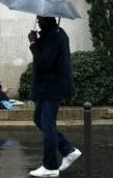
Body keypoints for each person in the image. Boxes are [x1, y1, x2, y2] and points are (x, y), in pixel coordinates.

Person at [28, 16, 81, 177]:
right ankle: (68, 150)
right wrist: (38, 40)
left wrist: (33, 43)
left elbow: (45, 62)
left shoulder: (55, 35)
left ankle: (50, 167)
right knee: (39, 120)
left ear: (48, 18)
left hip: (52, 87)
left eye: (40, 18)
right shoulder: (52, 33)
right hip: (47, 87)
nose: (37, 20)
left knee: (48, 124)